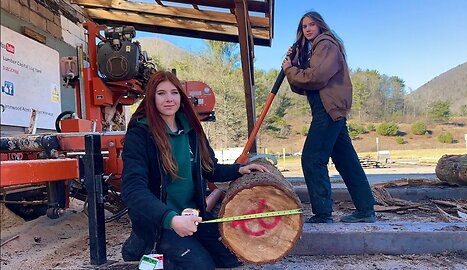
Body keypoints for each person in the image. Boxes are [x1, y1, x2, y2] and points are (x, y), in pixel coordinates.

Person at [120, 70, 268, 269]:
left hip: (193, 215)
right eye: (161, 93)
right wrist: (170, 219)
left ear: (181, 96)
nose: (169, 98)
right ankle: (148, 246)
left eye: (174, 92)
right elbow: (133, 190)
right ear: (151, 98)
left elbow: (210, 168)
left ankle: (172, 247)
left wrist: (238, 170)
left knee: (232, 256)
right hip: (161, 221)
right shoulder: (140, 134)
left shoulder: (192, 129)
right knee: (201, 265)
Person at [281, 11, 376, 224]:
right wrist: (294, 65)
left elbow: (315, 77)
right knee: (347, 161)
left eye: (312, 24)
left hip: (328, 110)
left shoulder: (325, 44)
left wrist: (291, 70)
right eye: (304, 26)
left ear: (320, 26)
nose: (308, 29)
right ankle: (366, 210)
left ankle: (323, 214)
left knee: (312, 159)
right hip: (331, 111)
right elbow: (302, 86)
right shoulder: (314, 50)